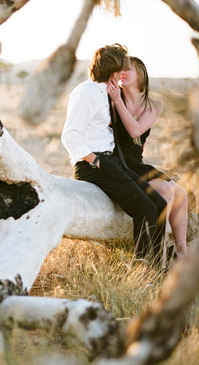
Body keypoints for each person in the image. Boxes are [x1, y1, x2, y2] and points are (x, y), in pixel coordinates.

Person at [61, 44, 167, 266]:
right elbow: (69, 136)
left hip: (111, 161)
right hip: (93, 164)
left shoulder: (104, 92)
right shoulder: (87, 92)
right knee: (145, 208)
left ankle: (157, 265)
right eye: (121, 69)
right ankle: (143, 269)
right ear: (112, 70)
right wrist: (96, 160)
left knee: (159, 203)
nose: (123, 74)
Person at [107, 56, 188, 262]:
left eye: (129, 69)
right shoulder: (112, 99)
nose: (123, 72)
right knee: (167, 191)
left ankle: (181, 252)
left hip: (137, 162)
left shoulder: (153, 105)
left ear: (141, 73)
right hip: (119, 162)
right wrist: (116, 100)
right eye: (120, 70)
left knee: (181, 194)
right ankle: (158, 254)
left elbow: (136, 130)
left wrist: (117, 101)